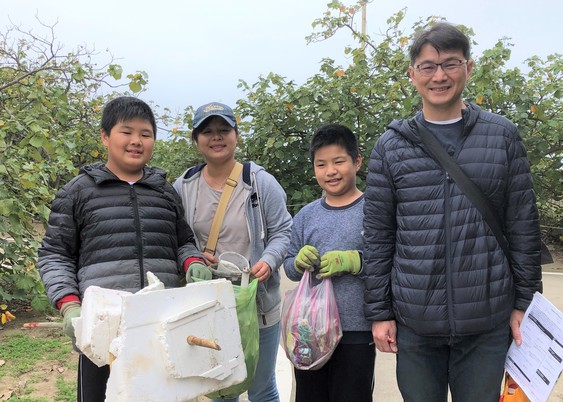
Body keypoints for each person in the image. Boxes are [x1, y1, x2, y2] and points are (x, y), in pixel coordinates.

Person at [362, 22, 542, 402]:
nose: (439, 76)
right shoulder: (391, 146)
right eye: (427, 66)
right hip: (415, 322)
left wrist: (526, 303)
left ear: (469, 68)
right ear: (412, 75)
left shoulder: (501, 136)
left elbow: (523, 226)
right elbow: (378, 237)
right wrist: (380, 312)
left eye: (450, 63)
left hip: (487, 321)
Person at [37, 96, 205, 402]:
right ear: (105, 136)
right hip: (103, 330)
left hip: (160, 326)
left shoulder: (164, 192)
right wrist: (69, 304)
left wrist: (192, 260)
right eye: (126, 132)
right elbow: (55, 253)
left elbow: (182, 241)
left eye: (145, 133)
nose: (136, 141)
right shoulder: (78, 192)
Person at [173, 102, 292, 402]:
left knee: (262, 389)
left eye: (224, 130)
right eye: (208, 131)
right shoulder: (184, 186)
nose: (217, 137)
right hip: (209, 303)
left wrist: (269, 259)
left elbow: (283, 231)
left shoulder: (259, 182)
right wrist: (195, 258)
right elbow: (176, 237)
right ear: (196, 139)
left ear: (236, 135)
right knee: (221, 390)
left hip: (257, 304)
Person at [283, 124, 375, 402]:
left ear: (357, 161)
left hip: (356, 329)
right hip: (310, 332)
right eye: (321, 164)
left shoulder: (373, 209)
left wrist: (355, 261)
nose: (330, 171)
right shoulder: (307, 216)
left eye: (338, 161)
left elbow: (389, 260)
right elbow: (289, 265)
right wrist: (297, 263)